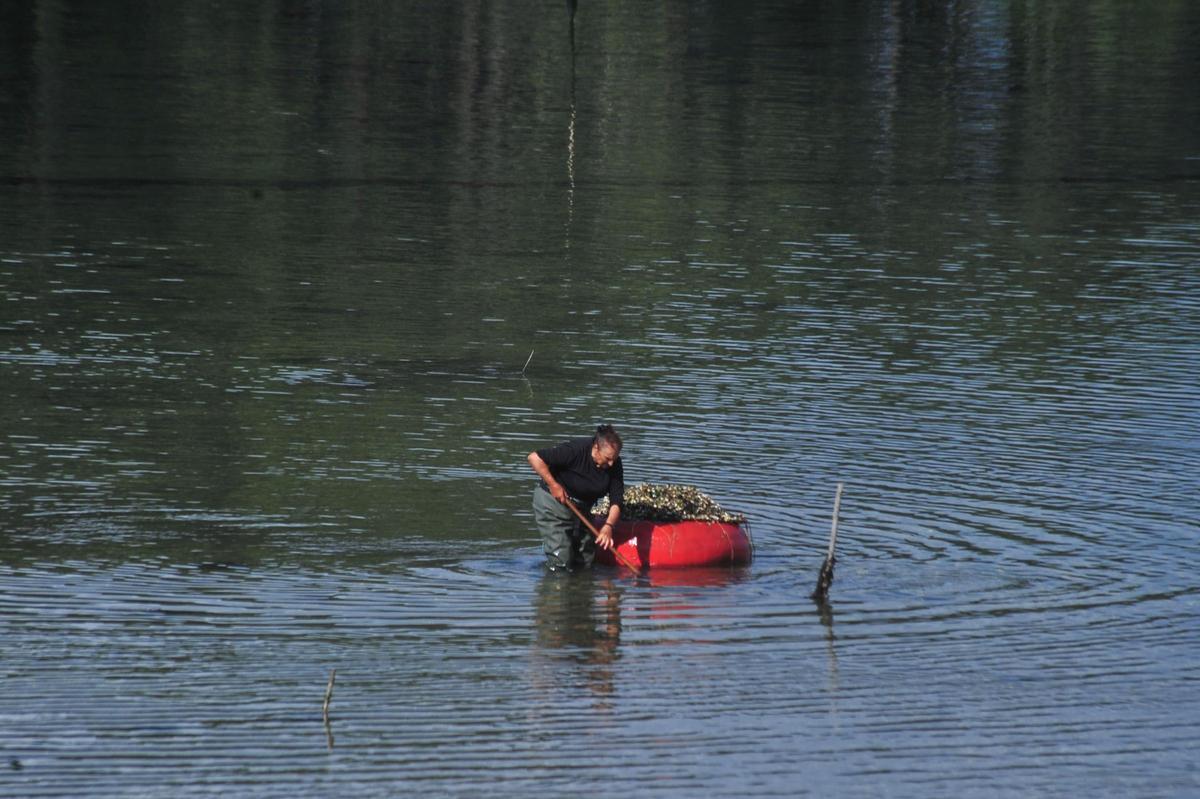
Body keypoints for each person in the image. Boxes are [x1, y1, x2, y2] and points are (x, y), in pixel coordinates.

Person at [527, 424, 624, 571]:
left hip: (583, 508)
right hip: (553, 503)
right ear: (596, 448)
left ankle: (581, 590)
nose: (611, 463)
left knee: (585, 558)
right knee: (562, 559)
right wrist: (554, 485)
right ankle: (555, 588)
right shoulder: (576, 450)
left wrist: (608, 526)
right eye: (608, 458)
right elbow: (534, 458)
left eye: (614, 459)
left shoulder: (614, 465)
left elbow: (616, 499)